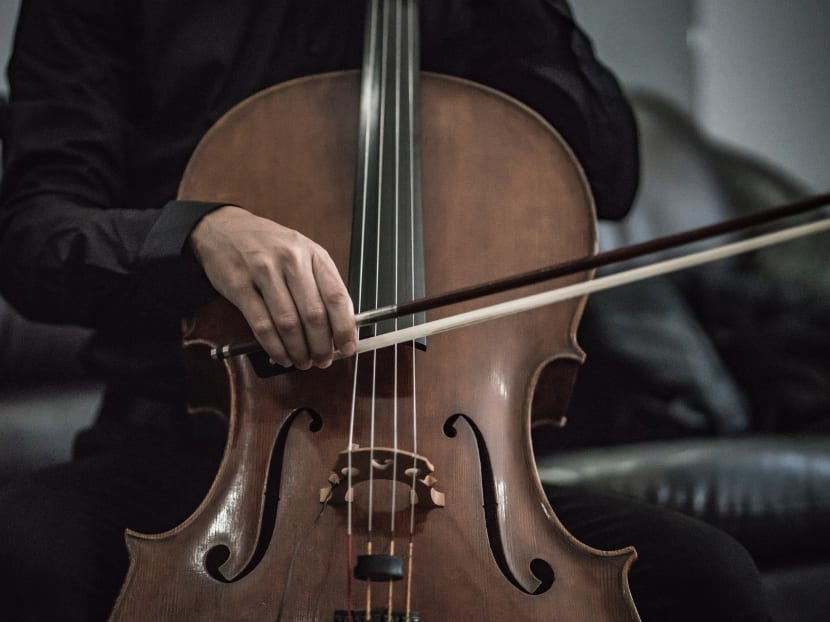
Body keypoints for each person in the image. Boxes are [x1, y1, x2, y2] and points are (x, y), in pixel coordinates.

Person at [0, 1, 768, 620]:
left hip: (456, 473)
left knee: (707, 578)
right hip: (185, 447)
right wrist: (195, 235)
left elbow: (610, 175)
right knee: (25, 550)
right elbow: (33, 235)